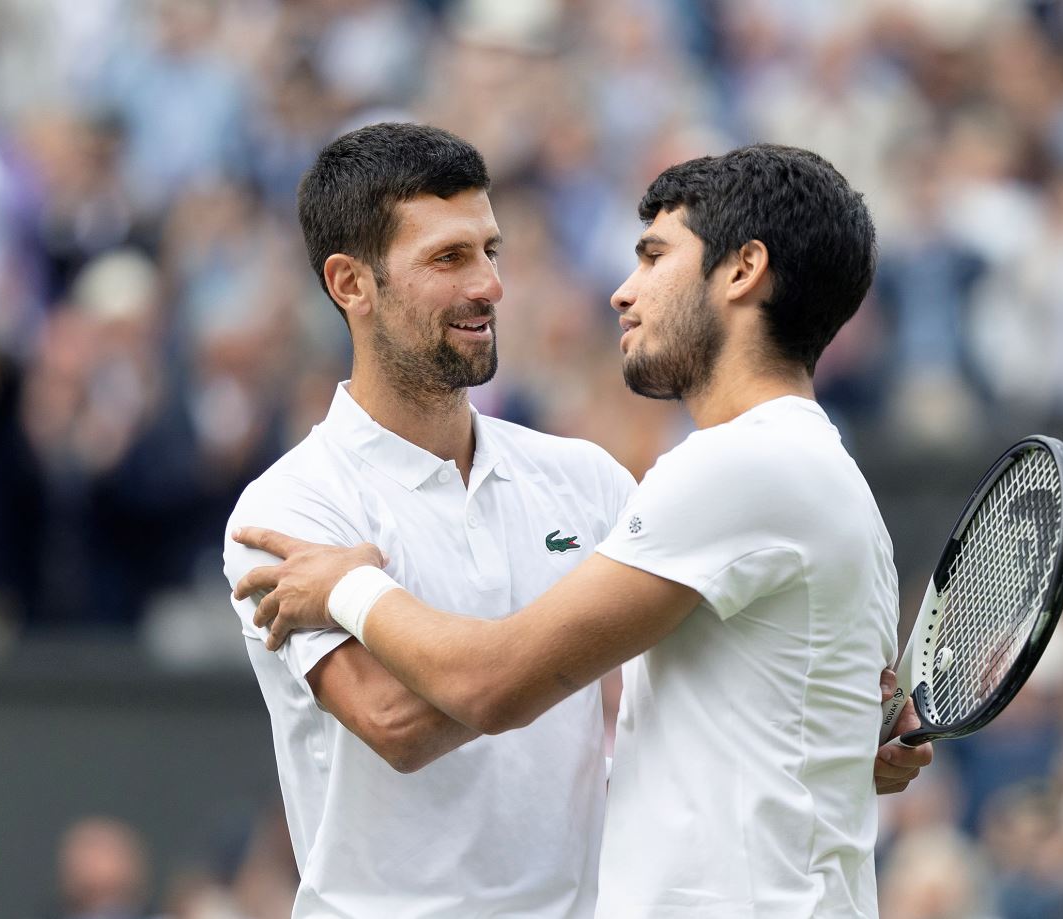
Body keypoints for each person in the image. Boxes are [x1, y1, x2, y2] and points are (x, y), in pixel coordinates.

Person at [236, 138, 926, 917]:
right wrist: (841, 726)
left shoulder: (650, 475)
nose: (491, 284)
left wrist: (349, 587)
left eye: (654, 256)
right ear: (349, 283)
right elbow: (395, 718)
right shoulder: (287, 507)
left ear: (742, 271)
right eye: (449, 258)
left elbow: (499, 683)